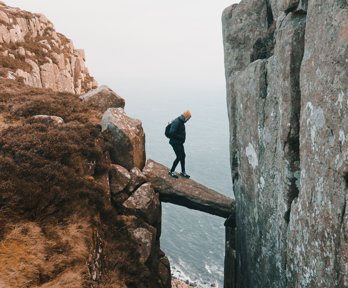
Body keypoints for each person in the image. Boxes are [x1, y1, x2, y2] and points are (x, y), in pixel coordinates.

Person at [168, 110, 191, 178]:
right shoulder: (177, 122)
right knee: (179, 157)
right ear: (186, 117)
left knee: (183, 156)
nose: (188, 120)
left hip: (179, 142)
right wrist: (180, 137)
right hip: (175, 143)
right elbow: (172, 132)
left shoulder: (180, 121)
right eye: (188, 118)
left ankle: (183, 172)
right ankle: (171, 171)